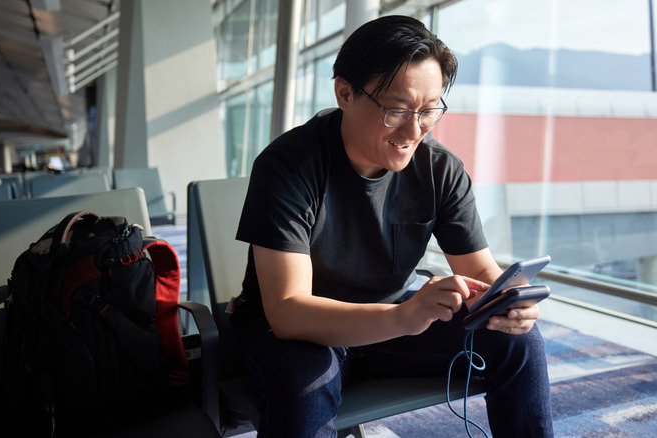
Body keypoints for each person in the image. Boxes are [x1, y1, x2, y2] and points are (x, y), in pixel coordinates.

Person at [230, 15, 553, 437]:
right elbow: (289, 311)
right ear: (344, 92)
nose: (414, 129)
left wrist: (509, 301)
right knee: (305, 385)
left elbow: (481, 273)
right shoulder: (289, 166)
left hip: (395, 320)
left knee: (521, 342)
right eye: (397, 109)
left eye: (429, 110)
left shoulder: (439, 170)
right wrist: (404, 316)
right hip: (300, 333)